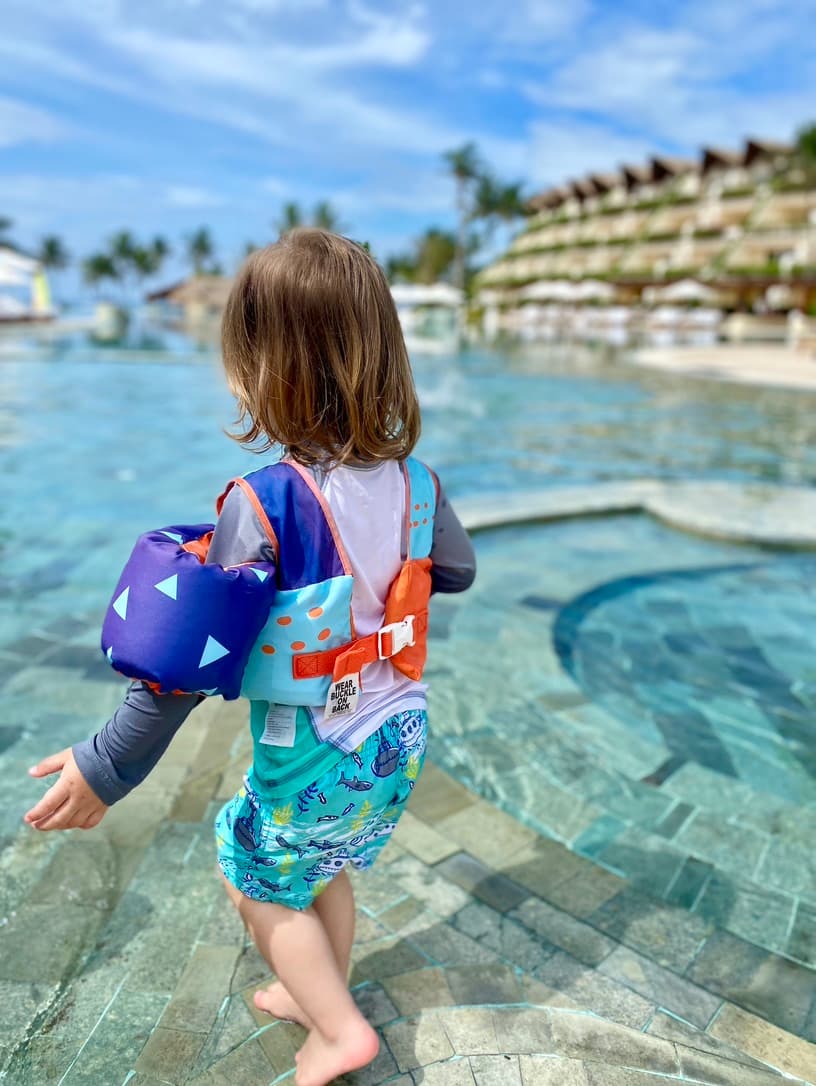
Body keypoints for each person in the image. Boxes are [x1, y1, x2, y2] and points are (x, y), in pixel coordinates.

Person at [23, 229, 476, 1086]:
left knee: (257, 874)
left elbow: (183, 668)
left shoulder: (264, 503)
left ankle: (339, 1031)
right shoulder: (420, 484)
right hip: (399, 732)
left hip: (314, 747)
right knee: (322, 862)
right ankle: (312, 990)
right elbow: (456, 570)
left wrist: (106, 764)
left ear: (262, 368)